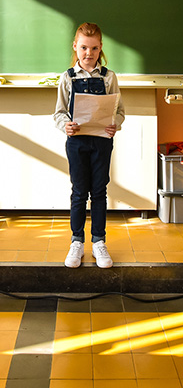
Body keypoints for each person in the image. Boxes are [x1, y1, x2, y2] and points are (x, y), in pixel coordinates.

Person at [53, 22, 125, 269]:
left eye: (94, 48)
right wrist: (66, 125)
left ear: (100, 48)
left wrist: (115, 123)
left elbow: (120, 112)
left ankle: (98, 241)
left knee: (99, 192)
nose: (88, 53)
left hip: (102, 142)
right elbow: (59, 113)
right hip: (77, 142)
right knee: (78, 192)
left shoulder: (109, 77)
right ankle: (76, 241)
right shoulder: (67, 77)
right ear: (75, 46)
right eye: (83, 47)